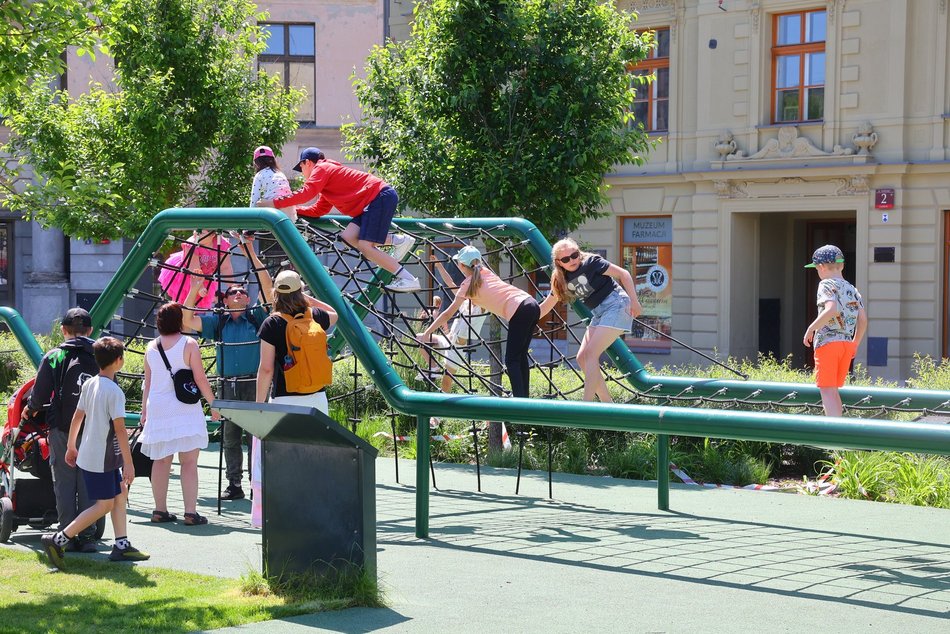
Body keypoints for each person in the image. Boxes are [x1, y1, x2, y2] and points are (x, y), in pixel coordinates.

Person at [40, 337, 149, 570]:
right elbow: (120, 430)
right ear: (119, 361)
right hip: (103, 458)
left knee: (119, 493)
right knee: (104, 505)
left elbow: (77, 417)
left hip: (94, 454)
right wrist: (129, 465)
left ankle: (121, 545)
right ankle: (58, 540)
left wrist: (71, 445)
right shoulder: (115, 392)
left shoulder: (90, 384)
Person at [182, 234, 273, 501]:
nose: (239, 293)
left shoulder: (257, 318)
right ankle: (234, 484)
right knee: (230, 438)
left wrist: (251, 255)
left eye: (243, 291)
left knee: (256, 436)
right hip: (227, 385)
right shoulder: (217, 322)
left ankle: (259, 481)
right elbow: (187, 320)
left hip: (253, 384)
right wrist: (193, 289)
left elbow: (268, 291)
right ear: (225, 299)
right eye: (233, 291)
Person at [256, 147, 420, 292]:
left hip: (378, 197)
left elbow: (307, 193)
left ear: (307, 163)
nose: (303, 175)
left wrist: (275, 203)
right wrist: (292, 210)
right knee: (348, 237)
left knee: (365, 246)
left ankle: (408, 279)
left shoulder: (322, 168)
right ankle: (397, 240)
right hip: (371, 203)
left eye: (301, 169)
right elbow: (319, 209)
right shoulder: (329, 182)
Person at [252, 269, 338, 527]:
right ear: (300, 290)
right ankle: (313, 511)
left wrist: (259, 406)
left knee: (284, 459)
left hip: (285, 400)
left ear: (276, 292)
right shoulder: (316, 317)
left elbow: (266, 368)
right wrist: (309, 300)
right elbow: (336, 313)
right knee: (314, 455)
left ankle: (285, 515)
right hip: (317, 398)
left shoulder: (273, 323)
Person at [418, 246, 540, 398]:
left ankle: (520, 402)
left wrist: (427, 333)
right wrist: (439, 266)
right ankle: (524, 399)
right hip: (531, 304)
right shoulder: (485, 273)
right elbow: (453, 284)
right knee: (520, 356)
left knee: (511, 360)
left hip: (519, 310)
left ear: (461, 265)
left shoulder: (469, 285)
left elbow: (447, 314)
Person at [24, 308, 100, 553]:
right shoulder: (100, 353)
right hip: (93, 428)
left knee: (65, 481)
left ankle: (67, 532)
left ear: (63, 330)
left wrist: (31, 410)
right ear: (89, 330)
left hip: (63, 427)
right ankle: (87, 535)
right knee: (89, 479)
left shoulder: (55, 356)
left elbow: (40, 393)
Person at [140, 302, 220, 526]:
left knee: (161, 460)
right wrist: (213, 404)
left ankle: (159, 510)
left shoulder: (150, 347)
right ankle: (190, 512)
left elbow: (148, 382)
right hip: (184, 407)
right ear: (180, 321)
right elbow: (200, 379)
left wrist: (144, 410)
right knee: (189, 461)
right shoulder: (189, 343)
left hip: (158, 407)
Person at [539, 238, 643, 402]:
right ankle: (607, 404)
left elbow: (623, 273)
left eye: (574, 255)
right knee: (582, 358)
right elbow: (546, 306)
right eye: (566, 259)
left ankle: (586, 404)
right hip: (599, 312)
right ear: (559, 262)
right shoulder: (560, 279)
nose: (572, 260)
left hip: (616, 304)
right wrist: (526, 317)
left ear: (578, 253)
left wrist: (634, 301)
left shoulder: (592, 262)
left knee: (591, 354)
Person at [802, 244, 868, 417]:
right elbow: (863, 320)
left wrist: (811, 328)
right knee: (833, 390)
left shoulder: (825, 284)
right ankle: (840, 432)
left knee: (827, 390)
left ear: (821, 267)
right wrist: (855, 344)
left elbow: (831, 309)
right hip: (847, 344)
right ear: (842, 265)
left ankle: (833, 437)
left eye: (816, 268)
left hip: (828, 343)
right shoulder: (852, 289)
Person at [159, 230, 234, 310]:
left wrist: (232, 286)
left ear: (212, 235)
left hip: (206, 276)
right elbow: (194, 268)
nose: (196, 234)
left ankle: (190, 319)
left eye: (201, 232)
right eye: (195, 230)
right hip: (186, 274)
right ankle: (178, 316)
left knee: (196, 305)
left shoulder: (220, 243)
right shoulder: (192, 244)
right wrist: (200, 287)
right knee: (182, 301)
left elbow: (226, 267)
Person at [249, 145, 296, 221]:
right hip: (289, 210)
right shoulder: (280, 173)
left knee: (259, 203)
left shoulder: (259, 175)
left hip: (271, 208)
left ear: (256, 163)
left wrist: (250, 220)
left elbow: (254, 198)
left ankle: (248, 230)